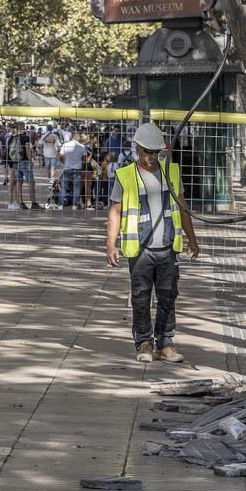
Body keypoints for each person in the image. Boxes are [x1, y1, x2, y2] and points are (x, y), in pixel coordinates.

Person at [105, 122, 200, 364]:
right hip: (141, 249)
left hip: (167, 248)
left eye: (156, 152)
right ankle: (144, 343)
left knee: (168, 296)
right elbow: (115, 211)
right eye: (147, 151)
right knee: (141, 297)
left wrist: (192, 238)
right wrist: (111, 244)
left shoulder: (171, 172)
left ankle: (165, 345)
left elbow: (183, 207)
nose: (152, 157)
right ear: (137, 149)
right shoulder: (125, 176)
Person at [53, 130, 86, 210]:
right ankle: (75, 205)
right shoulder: (82, 146)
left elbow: (60, 156)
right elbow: (84, 158)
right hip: (77, 168)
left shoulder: (65, 145)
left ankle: (60, 205)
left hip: (67, 168)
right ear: (78, 137)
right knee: (76, 187)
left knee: (64, 187)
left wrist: (64, 161)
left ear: (71, 136)